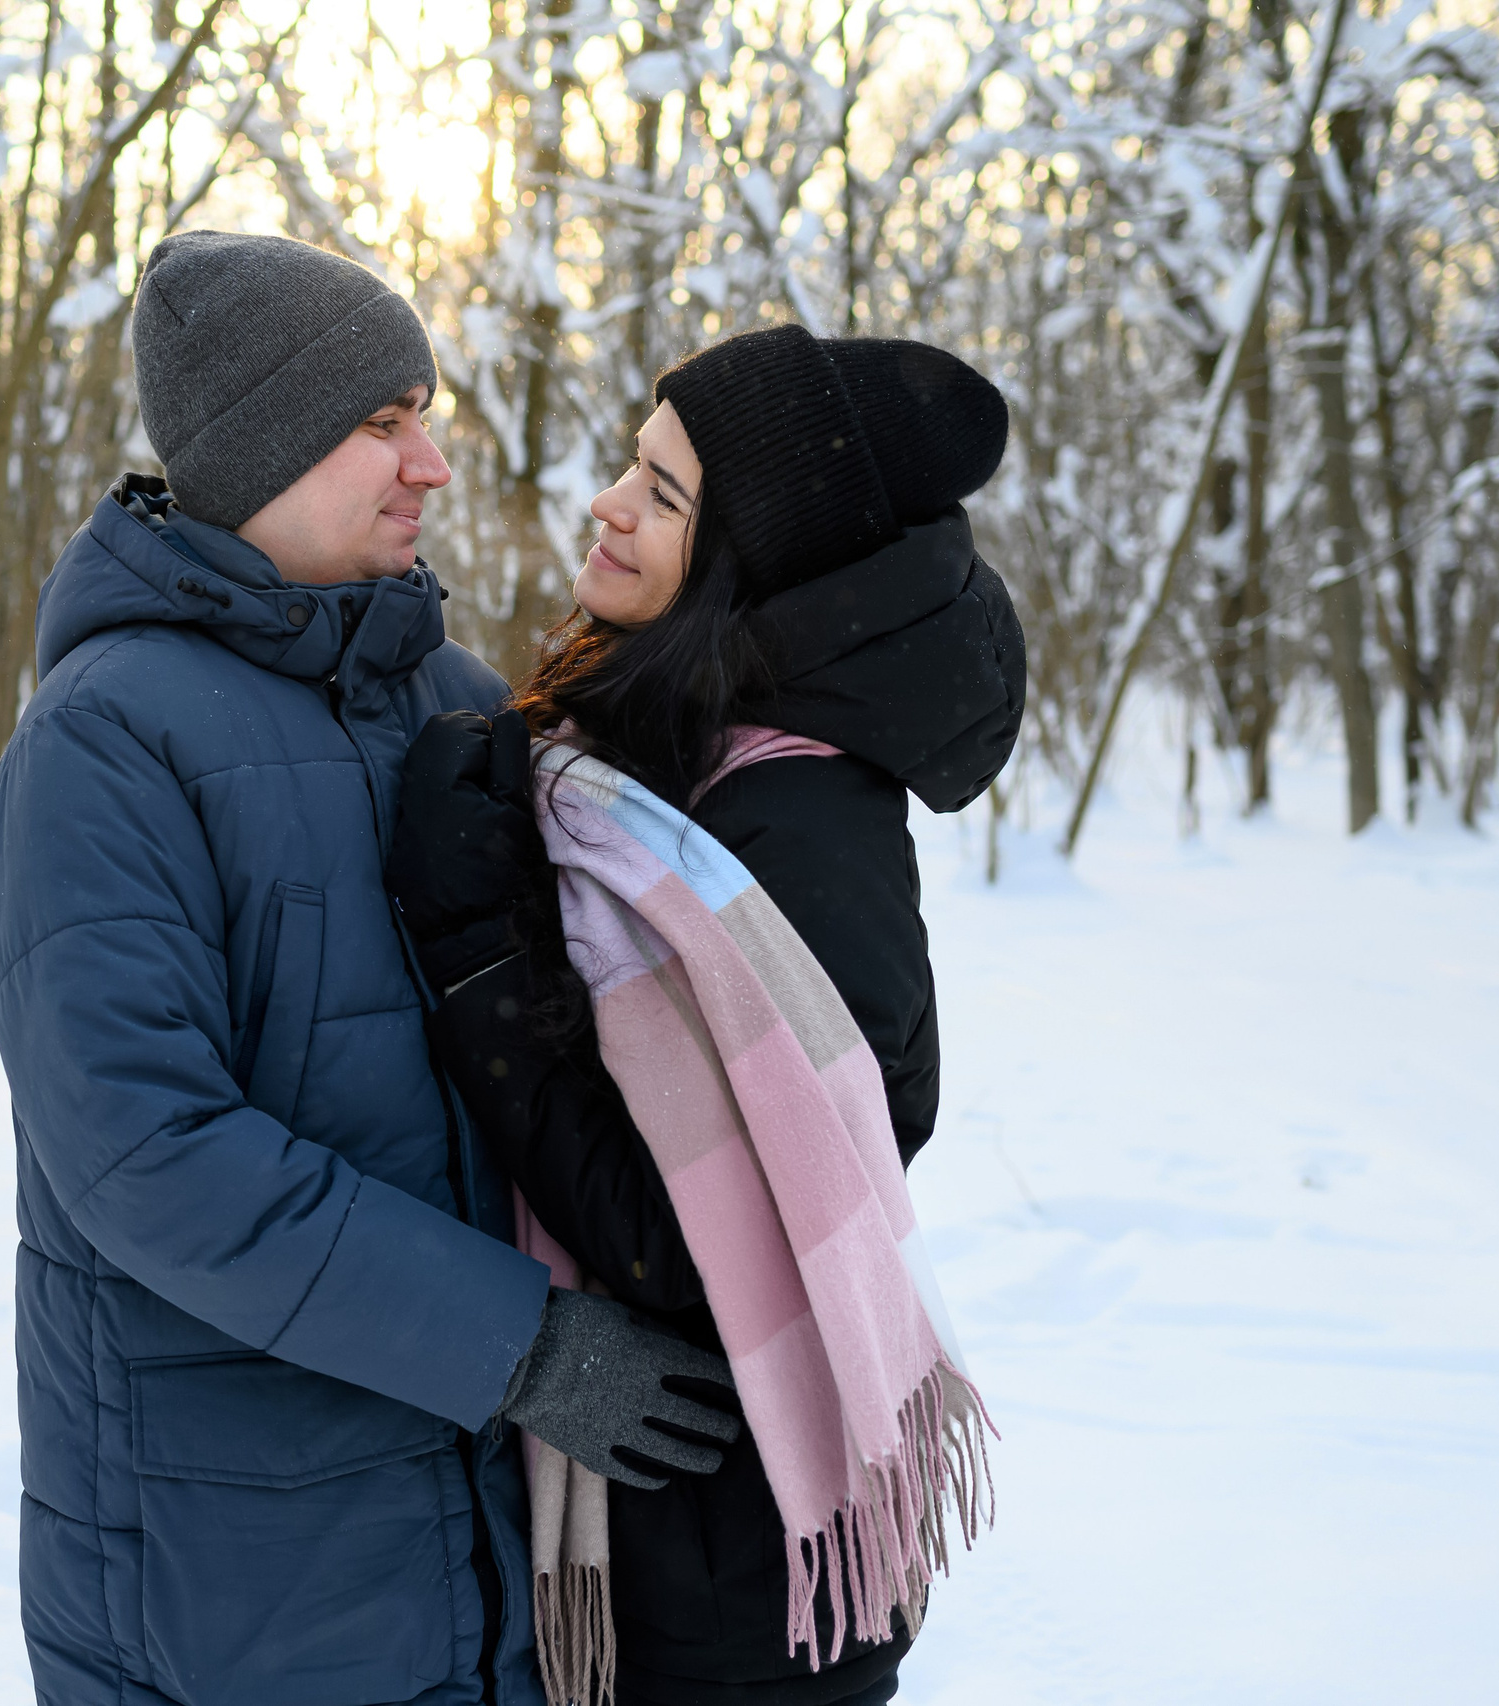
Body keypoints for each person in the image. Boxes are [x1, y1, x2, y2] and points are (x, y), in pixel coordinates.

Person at [0, 230, 741, 1706]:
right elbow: (151, 1157)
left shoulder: (444, 700)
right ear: (262, 448)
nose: (432, 464)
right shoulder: (101, 747)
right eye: (382, 424)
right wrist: (523, 1346)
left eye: (426, 416)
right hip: (236, 1563)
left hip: (472, 1532)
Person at [385, 323, 1023, 1706]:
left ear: (745, 561)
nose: (610, 502)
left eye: (664, 495)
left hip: (746, 1587)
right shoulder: (664, 756)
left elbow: (683, 1238)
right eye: (632, 463)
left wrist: (478, 957)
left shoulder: (796, 822)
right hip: (683, 1539)